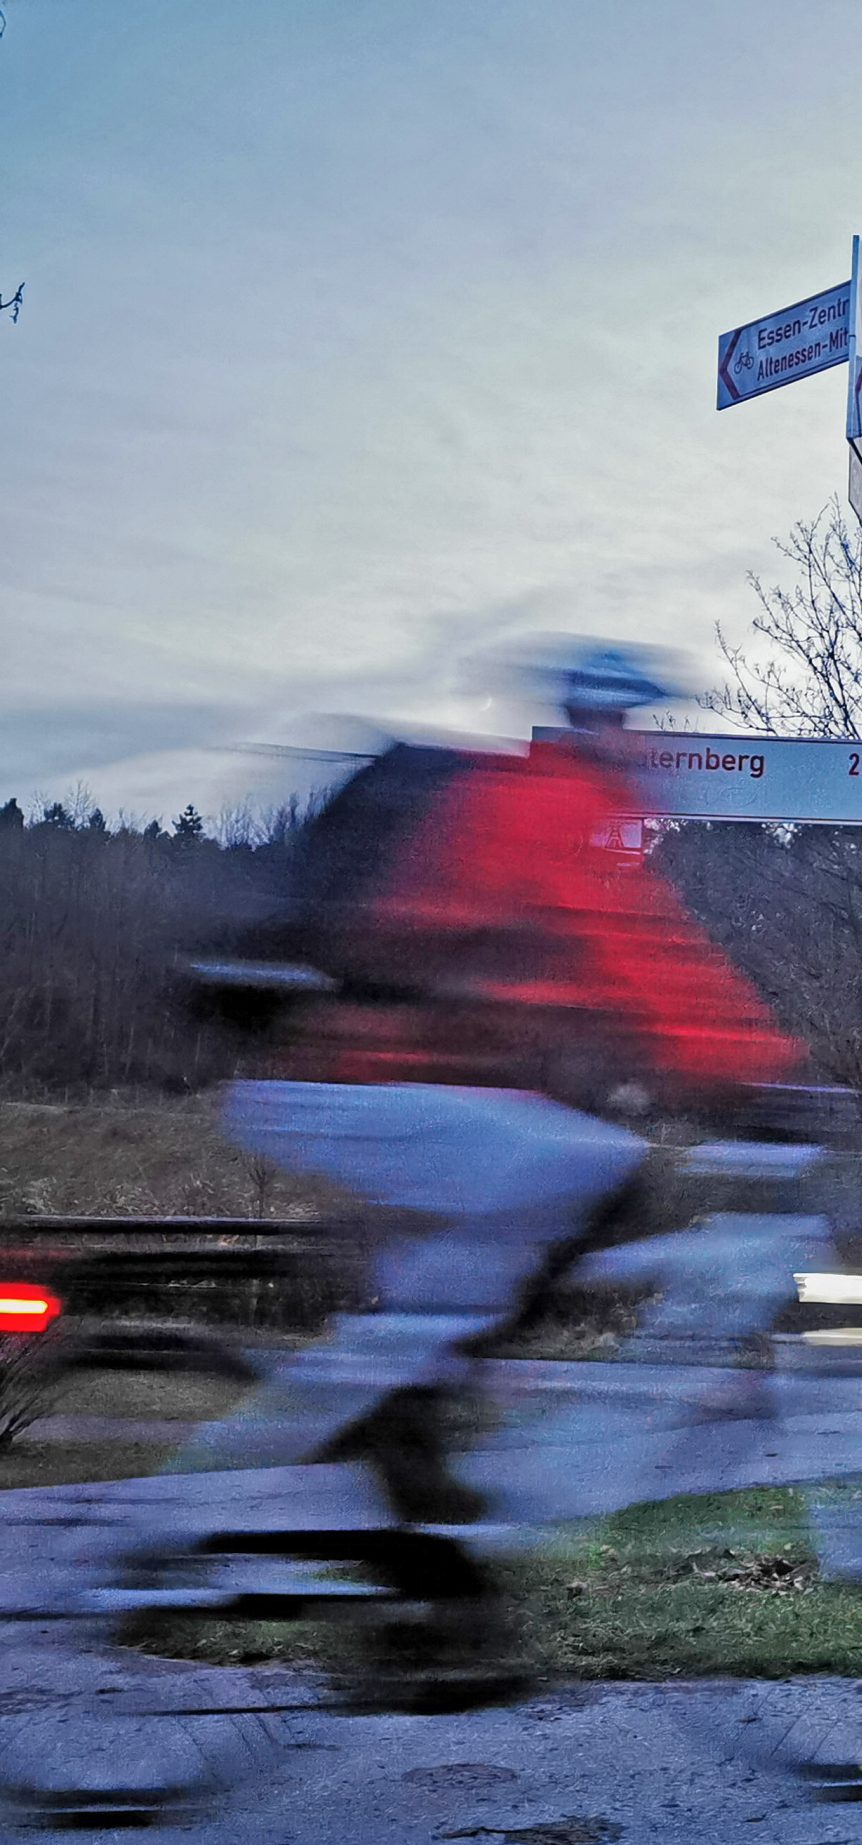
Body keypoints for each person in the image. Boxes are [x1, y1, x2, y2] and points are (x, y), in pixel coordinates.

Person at [83, 645, 801, 1701]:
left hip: (377, 1079)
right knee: (596, 1174)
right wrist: (764, 1079)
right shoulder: (540, 808)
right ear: (603, 725)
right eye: (644, 728)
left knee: (501, 1246)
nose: (655, 751)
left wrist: (708, 1068)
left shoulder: (550, 815)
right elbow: (634, 961)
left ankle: (436, 1587)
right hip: (342, 1073)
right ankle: (392, 1453)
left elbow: (608, 975)